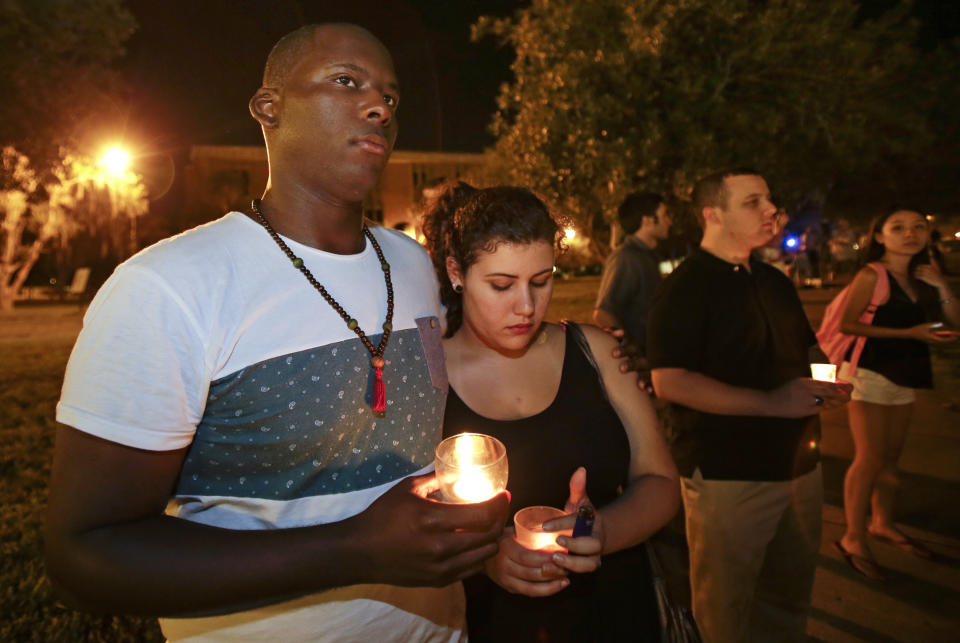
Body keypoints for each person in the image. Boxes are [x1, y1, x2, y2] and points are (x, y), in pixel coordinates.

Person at [44, 24, 510, 642]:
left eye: (390, 97)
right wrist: (355, 550)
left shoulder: (412, 264)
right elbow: (85, 558)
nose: (379, 107)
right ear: (270, 108)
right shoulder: (169, 287)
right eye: (346, 82)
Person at [421, 182, 681, 642]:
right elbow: (406, 516)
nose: (527, 306)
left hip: (615, 609)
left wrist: (603, 530)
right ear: (456, 272)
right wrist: (485, 555)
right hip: (491, 621)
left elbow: (661, 482)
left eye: (541, 281)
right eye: (501, 285)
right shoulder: (427, 376)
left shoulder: (596, 352)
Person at [647, 168, 853, 643]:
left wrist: (830, 380)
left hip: (801, 465)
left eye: (770, 199)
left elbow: (808, 347)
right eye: (753, 201)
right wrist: (772, 403)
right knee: (724, 608)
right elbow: (669, 381)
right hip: (729, 476)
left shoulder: (772, 280)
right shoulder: (684, 287)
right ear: (712, 214)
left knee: (788, 597)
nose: (771, 210)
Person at [835, 209, 959, 580]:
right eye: (899, 228)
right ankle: (852, 537)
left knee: (890, 459)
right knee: (869, 458)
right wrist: (911, 335)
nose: (911, 234)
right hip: (871, 374)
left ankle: (882, 523)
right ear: (880, 237)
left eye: (919, 227)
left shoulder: (923, 276)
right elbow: (848, 323)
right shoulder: (872, 274)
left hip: (905, 376)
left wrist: (943, 286)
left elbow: (954, 321)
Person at [593, 192, 672, 363]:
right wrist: (631, 352)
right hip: (643, 364)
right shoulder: (627, 258)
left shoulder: (648, 256)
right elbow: (603, 313)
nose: (669, 221)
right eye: (665, 215)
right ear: (647, 221)